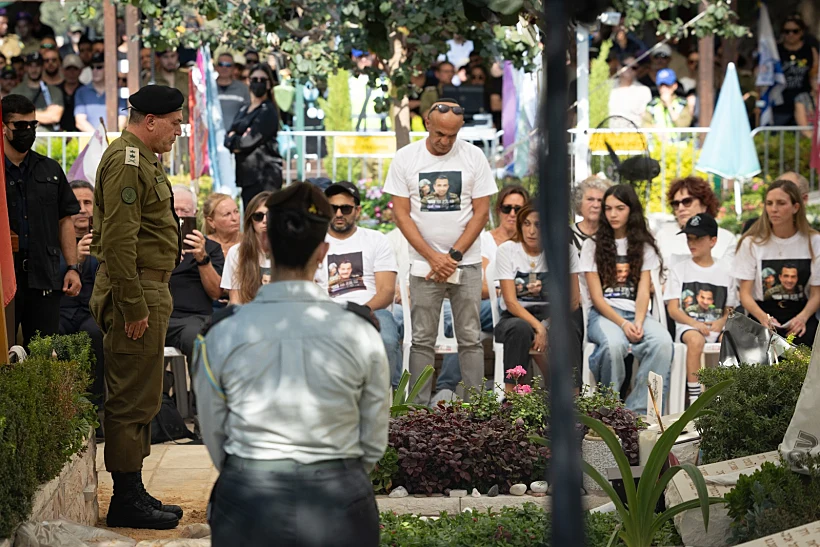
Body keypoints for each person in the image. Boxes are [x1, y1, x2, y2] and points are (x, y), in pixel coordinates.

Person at [194, 183, 388, 547]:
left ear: (266, 242)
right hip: (339, 496)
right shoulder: (359, 331)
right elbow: (373, 438)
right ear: (324, 251)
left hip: (249, 497)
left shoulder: (221, 333)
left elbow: (214, 433)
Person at [87, 85, 184, 529]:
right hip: (137, 290)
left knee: (143, 396)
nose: (177, 131)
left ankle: (134, 488)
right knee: (129, 399)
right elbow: (118, 240)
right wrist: (133, 305)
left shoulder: (142, 158)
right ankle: (125, 500)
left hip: (149, 287)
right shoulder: (127, 162)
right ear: (150, 121)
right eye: (174, 123)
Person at [383, 98, 498, 403]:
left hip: (466, 263)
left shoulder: (474, 156)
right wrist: (433, 256)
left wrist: (453, 256)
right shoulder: (406, 158)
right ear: (427, 124)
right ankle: (417, 410)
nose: (445, 141)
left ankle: (476, 408)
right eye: (439, 134)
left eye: (452, 135)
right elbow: (401, 214)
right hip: (424, 264)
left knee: (470, 338)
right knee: (422, 339)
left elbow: (481, 212)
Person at [580, 184, 673, 414]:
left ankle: (637, 414)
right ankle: (609, 411)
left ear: (631, 210)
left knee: (662, 343)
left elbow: (643, 291)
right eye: (608, 208)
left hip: (637, 313)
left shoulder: (644, 246)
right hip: (604, 314)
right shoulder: (592, 245)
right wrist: (622, 324)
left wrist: (639, 321)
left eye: (619, 208)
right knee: (613, 345)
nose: (613, 214)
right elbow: (596, 297)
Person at [434, 184, 529, 394]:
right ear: (498, 210)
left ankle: (447, 389)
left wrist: (506, 290)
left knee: (466, 324)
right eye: (507, 208)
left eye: (518, 209)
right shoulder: (485, 241)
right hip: (491, 305)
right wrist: (511, 290)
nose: (512, 214)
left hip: (514, 309)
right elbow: (481, 286)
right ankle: (451, 389)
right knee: (468, 321)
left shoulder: (530, 244)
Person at [4, 94, 80, 346]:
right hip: (4, 277)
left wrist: (72, 267)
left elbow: (64, 221)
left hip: (44, 275)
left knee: (44, 351)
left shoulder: (50, 169)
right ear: (3, 127)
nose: (28, 131)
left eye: (32, 125)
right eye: (20, 125)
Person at [314, 181, 402, 386]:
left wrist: (361, 310)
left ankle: (382, 398)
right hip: (327, 313)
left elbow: (387, 291)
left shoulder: (376, 240)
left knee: (387, 341)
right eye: (332, 208)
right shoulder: (313, 243)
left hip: (373, 311)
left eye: (345, 208)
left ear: (357, 211)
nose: (338, 214)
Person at [493, 202, 583, 393]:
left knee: (566, 328)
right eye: (526, 224)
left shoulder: (565, 251)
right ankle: (512, 396)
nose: (532, 231)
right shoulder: (507, 250)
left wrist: (548, 324)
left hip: (556, 314)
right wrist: (539, 327)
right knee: (519, 329)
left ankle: (573, 397)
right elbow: (510, 302)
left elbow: (574, 300)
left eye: (539, 225)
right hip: (517, 314)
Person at [735, 180, 820, 347]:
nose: (774, 209)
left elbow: (817, 293)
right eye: (769, 203)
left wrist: (802, 318)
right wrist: (763, 318)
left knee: (807, 345)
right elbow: (745, 294)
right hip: (761, 312)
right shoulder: (751, 243)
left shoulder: (814, 241)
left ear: (796, 207)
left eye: (781, 203)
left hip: (801, 312)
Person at [664, 213, 737, 405]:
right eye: (689, 238)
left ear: (713, 241)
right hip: (688, 326)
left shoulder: (726, 271)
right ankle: (695, 399)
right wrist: (694, 323)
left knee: (730, 341)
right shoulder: (679, 269)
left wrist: (721, 322)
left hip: (717, 326)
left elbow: (730, 309)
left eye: (698, 238)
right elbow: (673, 309)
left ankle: (725, 397)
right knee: (695, 341)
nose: (692, 243)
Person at [59, 180, 104, 411]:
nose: (83, 209)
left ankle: (94, 409)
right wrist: (74, 260)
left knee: (94, 333)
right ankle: (62, 407)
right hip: (62, 310)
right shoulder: (55, 239)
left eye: (88, 203)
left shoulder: (105, 238)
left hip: (92, 311)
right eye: (76, 204)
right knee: (52, 333)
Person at [166, 185, 224, 366]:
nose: (179, 216)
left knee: (196, 338)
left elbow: (216, 292)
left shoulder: (211, 248)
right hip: (155, 318)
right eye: (174, 210)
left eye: (185, 211)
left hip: (193, 319)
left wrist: (202, 258)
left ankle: (201, 386)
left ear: (195, 213)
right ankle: (164, 384)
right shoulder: (150, 246)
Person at [225, 63, 281, 208]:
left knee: (263, 218)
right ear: (249, 82)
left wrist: (236, 138)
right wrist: (235, 139)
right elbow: (227, 138)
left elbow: (247, 142)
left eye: (262, 80)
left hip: (265, 177)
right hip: (247, 177)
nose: (258, 83)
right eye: (254, 79)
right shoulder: (244, 109)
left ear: (269, 84)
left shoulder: (268, 111)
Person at [655, 176, 737, 264]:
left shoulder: (726, 239)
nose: (680, 208)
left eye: (687, 202)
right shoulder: (663, 236)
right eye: (675, 204)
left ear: (704, 204)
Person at [220, 191, 273, 305]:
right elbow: (236, 302)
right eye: (258, 216)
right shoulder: (237, 252)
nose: (265, 220)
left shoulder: (292, 251)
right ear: (250, 220)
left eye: (271, 215)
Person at [775, 14, 818, 126]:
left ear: (801, 32)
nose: (791, 34)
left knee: (806, 132)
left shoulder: (809, 50)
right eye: (787, 31)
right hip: (780, 103)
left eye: (795, 31)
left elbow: (814, 75)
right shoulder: (776, 51)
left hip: (804, 101)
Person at [11, 52, 63, 130]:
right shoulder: (16, 92)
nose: (34, 69)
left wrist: (24, 115)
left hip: (48, 137)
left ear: (42, 67)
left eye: (37, 65)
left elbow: (54, 117)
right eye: (30, 66)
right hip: (24, 137)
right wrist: (44, 115)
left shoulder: (55, 91)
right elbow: (12, 117)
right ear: (25, 68)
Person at [75, 53, 126, 131]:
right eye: (92, 67)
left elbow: (122, 120)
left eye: (99, 67)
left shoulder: (119, 91)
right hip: (90, 138)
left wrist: (107, 137)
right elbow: (80, 122)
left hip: (114, 137)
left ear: (109, 69)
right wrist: (99, 137)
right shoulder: (81, 92)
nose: (94, 71)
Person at [142, 49, 189, 122]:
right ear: (159, 58)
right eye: (165, 57)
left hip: (186, 123)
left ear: (177, 56)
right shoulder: (150, 80)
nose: (170, 61)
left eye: (172, 56)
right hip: (160, 125)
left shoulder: (187, 77)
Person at [570, 175, 613, 254]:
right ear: (579, 202)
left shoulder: (612, 235)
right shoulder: (564, 235)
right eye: (590, 199)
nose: (596, 205)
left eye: (600, 200)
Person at [608, 55, 652, 129]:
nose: (629, 69)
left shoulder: (643, 90)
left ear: (637, 71)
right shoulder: (606, 86)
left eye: (633, 67)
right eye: (625, 65)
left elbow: (646, 118)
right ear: (618, 67)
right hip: (607, 132)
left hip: (632, 133)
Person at [215, 52, 250, 131]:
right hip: (211, 136)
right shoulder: (208, 89)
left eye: (228, 65)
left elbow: (248, 113)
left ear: (233, 68)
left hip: (235, 135)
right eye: (221, 64)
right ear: (216, 67)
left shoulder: (243, 89)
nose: (224, 68)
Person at [202, 192, 241, 258]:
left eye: (236, 211)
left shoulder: (250, 241)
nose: (234, 218)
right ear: (211, 221)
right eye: (227, 214)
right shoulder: (202, 246)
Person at [57, 54, 83, 132]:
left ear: (81, 70)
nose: (71, 72)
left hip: (81, 134)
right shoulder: (55, 90)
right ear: (62, 70)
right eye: (68, 69)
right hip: (58, 135)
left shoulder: (86, 91)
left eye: (75, 69)